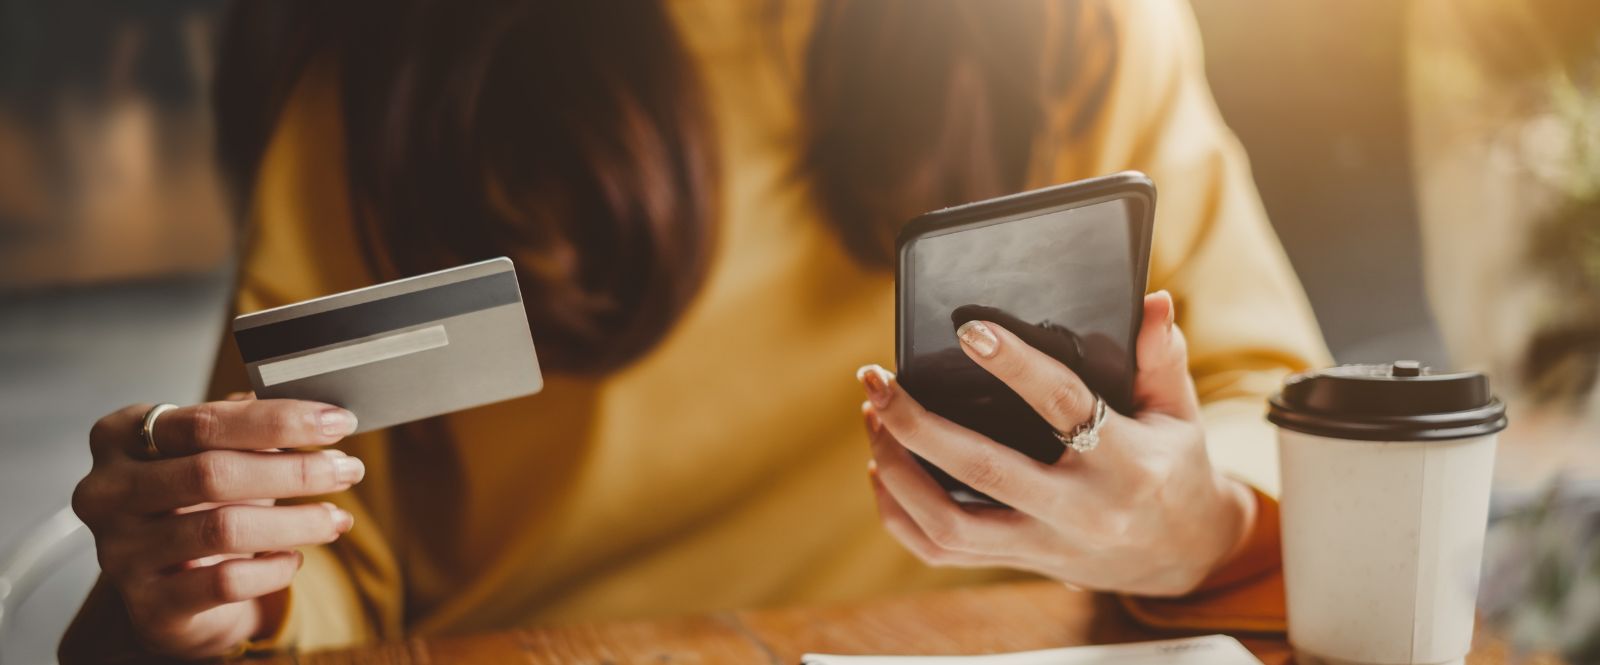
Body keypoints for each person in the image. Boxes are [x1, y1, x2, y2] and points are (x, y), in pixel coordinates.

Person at [62, 0, 1328, 660]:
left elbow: (1272, 405)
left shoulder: (1081, 35)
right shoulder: (389, 93)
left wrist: (1195, 526)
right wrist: (227, 579)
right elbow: (323, 545)